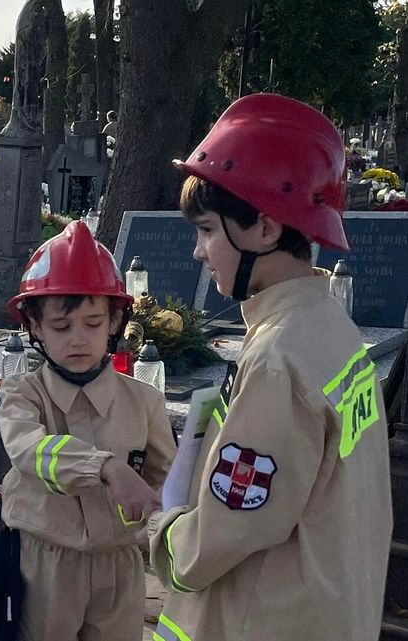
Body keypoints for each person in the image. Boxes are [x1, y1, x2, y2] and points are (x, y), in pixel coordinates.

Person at [147, 93, 393, 640]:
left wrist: (162, 530)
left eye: (207, 229)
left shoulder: (279, 361)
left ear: (263, 228)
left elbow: (222, 534)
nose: (198, 250)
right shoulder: (329, 327)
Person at [0, 220, 175, 641]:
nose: (79, 339)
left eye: (93, 324)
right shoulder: (24, 396)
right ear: (35, 327)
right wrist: (107, 468)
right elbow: (29, 450)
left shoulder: (143, 401)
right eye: (61, 327)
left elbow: (168, 482)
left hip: (120, 563)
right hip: (46, 561)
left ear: (116, 322)